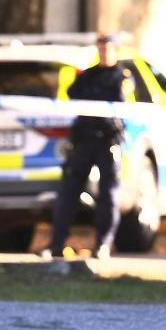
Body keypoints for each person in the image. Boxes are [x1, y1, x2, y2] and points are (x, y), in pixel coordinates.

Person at [45, 32, 132, 259]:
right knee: (69, 191)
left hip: (108, 140)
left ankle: (103, 244)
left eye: (107, 48)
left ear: (115, 50)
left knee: (108, 194)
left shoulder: (122, 77)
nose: (103, 53)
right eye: (100, 48)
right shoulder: (88, 75)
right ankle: (56, 243)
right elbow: (72, 94)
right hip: (84, 139)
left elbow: (123, 104)